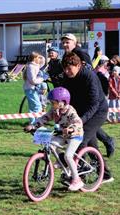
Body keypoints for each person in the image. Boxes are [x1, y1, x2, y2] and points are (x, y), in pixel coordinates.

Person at [61, 52, 113, 183]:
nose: (67, 71)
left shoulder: (89, 76)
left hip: (98, 111)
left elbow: (94, 103)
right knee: (92, 145)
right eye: (65, 68)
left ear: (78, 65)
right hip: (81, 111)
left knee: (80, 140)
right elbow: (67, 98)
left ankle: (78, 177)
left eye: (69, 68)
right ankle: (106, 175)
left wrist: (80, 121)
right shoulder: (67, 78)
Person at [24, 87, 85, 191]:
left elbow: (78, 122)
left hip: (75, 135)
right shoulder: (54, 110)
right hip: (62, 134)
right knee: (50, 144)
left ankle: (77, 180)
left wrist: (70, 129)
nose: (52, 105)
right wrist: (33, 126)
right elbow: (45, 118)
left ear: (63, 102)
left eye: (54, 102)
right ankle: (61, 160)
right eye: (51, 102)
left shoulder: (70, 111)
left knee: (68, 155)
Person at [94, 55, 116, 158]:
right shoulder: (98, 72)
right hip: (94, 101)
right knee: (91, 128)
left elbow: (105, 91)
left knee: (91, 127)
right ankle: (107, 142)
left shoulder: (102, 74)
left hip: (98, 103)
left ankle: (108, 141)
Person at [23, 52, 46, 124]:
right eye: (38, 58)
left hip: (32, 89)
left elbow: (43, 61)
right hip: (31, 89)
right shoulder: (31, 67)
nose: (40, 59)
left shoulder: (35, 65)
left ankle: (32, 123)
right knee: (37, 106)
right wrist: (42, 79)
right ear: (34, 58)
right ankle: (37, 123)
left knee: (32, 108)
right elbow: (33, 80)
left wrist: (40, 56)